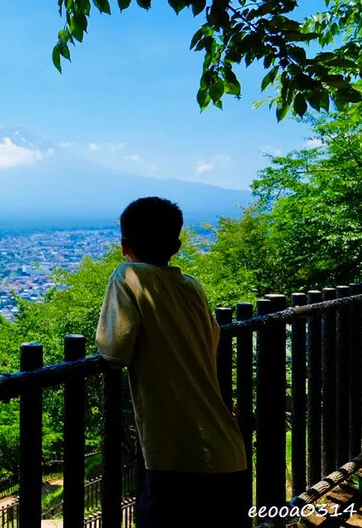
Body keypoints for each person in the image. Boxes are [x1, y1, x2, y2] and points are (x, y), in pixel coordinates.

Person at [95, 197, 249, 528]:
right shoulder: (192, 288)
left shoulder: (128, 277)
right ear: (177, 246)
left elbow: (114, 351)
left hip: (177, 458)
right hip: (228, 453)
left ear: (124, 246)